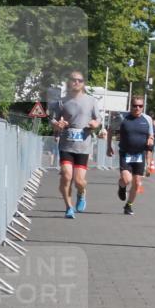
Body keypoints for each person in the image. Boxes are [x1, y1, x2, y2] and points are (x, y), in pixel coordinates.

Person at [49, 71, 101, 219]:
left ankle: (81, 192)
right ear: (69, 82)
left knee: (78, 180)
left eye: (80, 80)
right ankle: (68, 207)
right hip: (66, 145)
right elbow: (52, 120)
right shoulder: (61, 101)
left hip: (83, 146)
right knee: (66, 175)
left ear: (83, 83)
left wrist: (94, 124)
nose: (76, 82)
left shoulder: (91, 101)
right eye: (74, 80)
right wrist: (58, 124)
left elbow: (98, 119)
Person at [106, 96, 155, 215]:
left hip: (139, 155)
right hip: (126, 153)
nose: (137, 108)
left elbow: (151, 136)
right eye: (135, 106)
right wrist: (109, 146)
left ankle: (128, 205)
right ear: (131, 106)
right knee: (127, 179)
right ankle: (122, 186)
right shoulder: (122, 118)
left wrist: (150, 160)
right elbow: (110, 130)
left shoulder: (147, 119)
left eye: (140, 106)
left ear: (143, 107)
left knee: (137, 183)